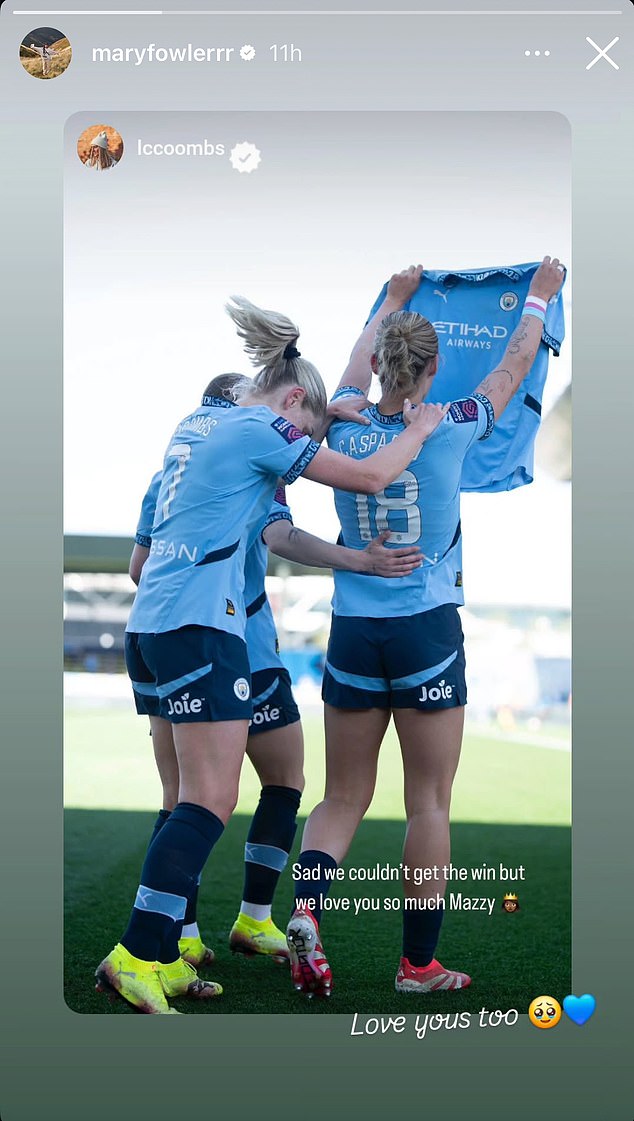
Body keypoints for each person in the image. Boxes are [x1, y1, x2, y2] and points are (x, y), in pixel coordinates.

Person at [95, 295, 448, 1014]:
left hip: (156, 623)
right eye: (303, 429)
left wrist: (328, 415)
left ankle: (163, 954)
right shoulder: (263, 427)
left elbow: (266, 485)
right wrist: (418, 428)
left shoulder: (201, 422)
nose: (298, 448)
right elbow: (371, 477)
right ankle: (134, 953)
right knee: (208, 800)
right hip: (202, 625)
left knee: (197, 797)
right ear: (290, 403)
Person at [286, 257, 565, 997]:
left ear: (380, 364)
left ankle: (307, 909)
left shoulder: (342, 421)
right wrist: (537, 298)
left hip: (353, 629)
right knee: (428, 802)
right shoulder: (453, 425)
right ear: (435, 367)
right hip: (426, 631)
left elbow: (352, 367)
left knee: (342, 796)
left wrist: (394, 295)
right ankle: (417, 966)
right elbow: (512, 367)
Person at [129, 373, 424, 971]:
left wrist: (327, 416)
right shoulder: (252, 443)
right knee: (211, 798)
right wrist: (359, 559)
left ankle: (205, 933)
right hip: (222, 637)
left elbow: (139, 567)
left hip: (174, 630)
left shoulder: (180, 460)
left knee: (220, 791)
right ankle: (161, 947)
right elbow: (285, 529)